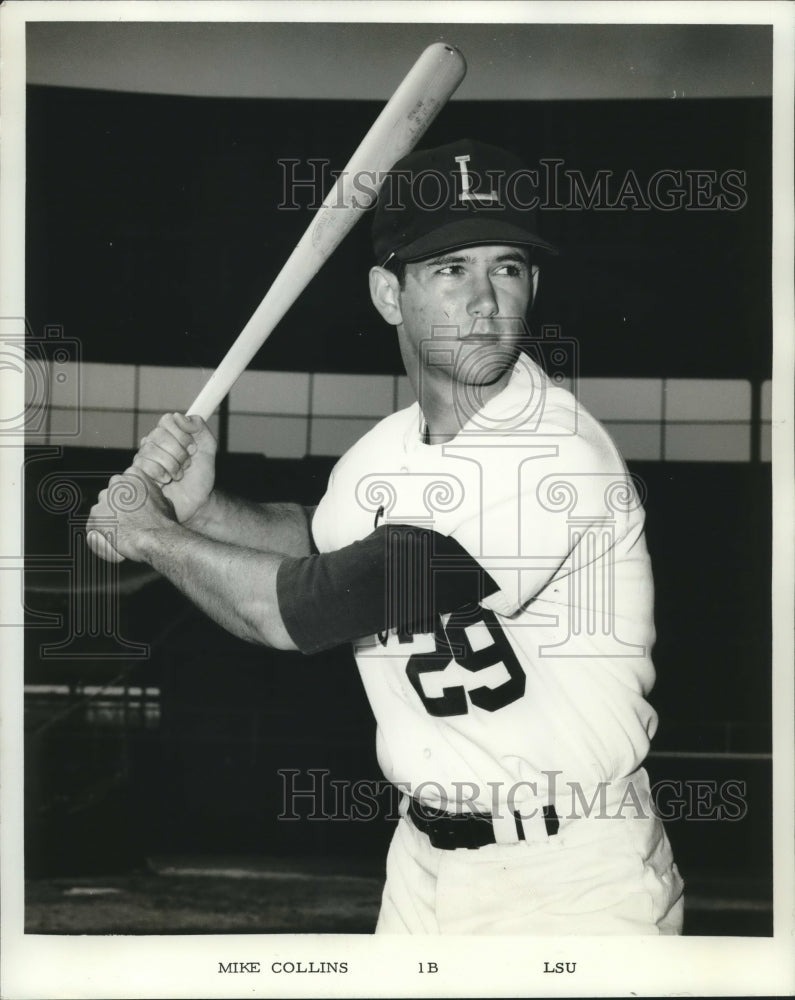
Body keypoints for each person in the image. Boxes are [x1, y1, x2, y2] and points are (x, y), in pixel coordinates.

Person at [88, 139, 684, 935]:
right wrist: (202, 508)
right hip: (420, 863)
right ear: (386, 294)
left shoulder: (552, 455)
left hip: (572, 873)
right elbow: (313, 543)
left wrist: (151, 537)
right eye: (449, 270)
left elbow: (308, 604)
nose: (484, 301)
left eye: (506, 267)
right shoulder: (384, 452)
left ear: (533, 285)